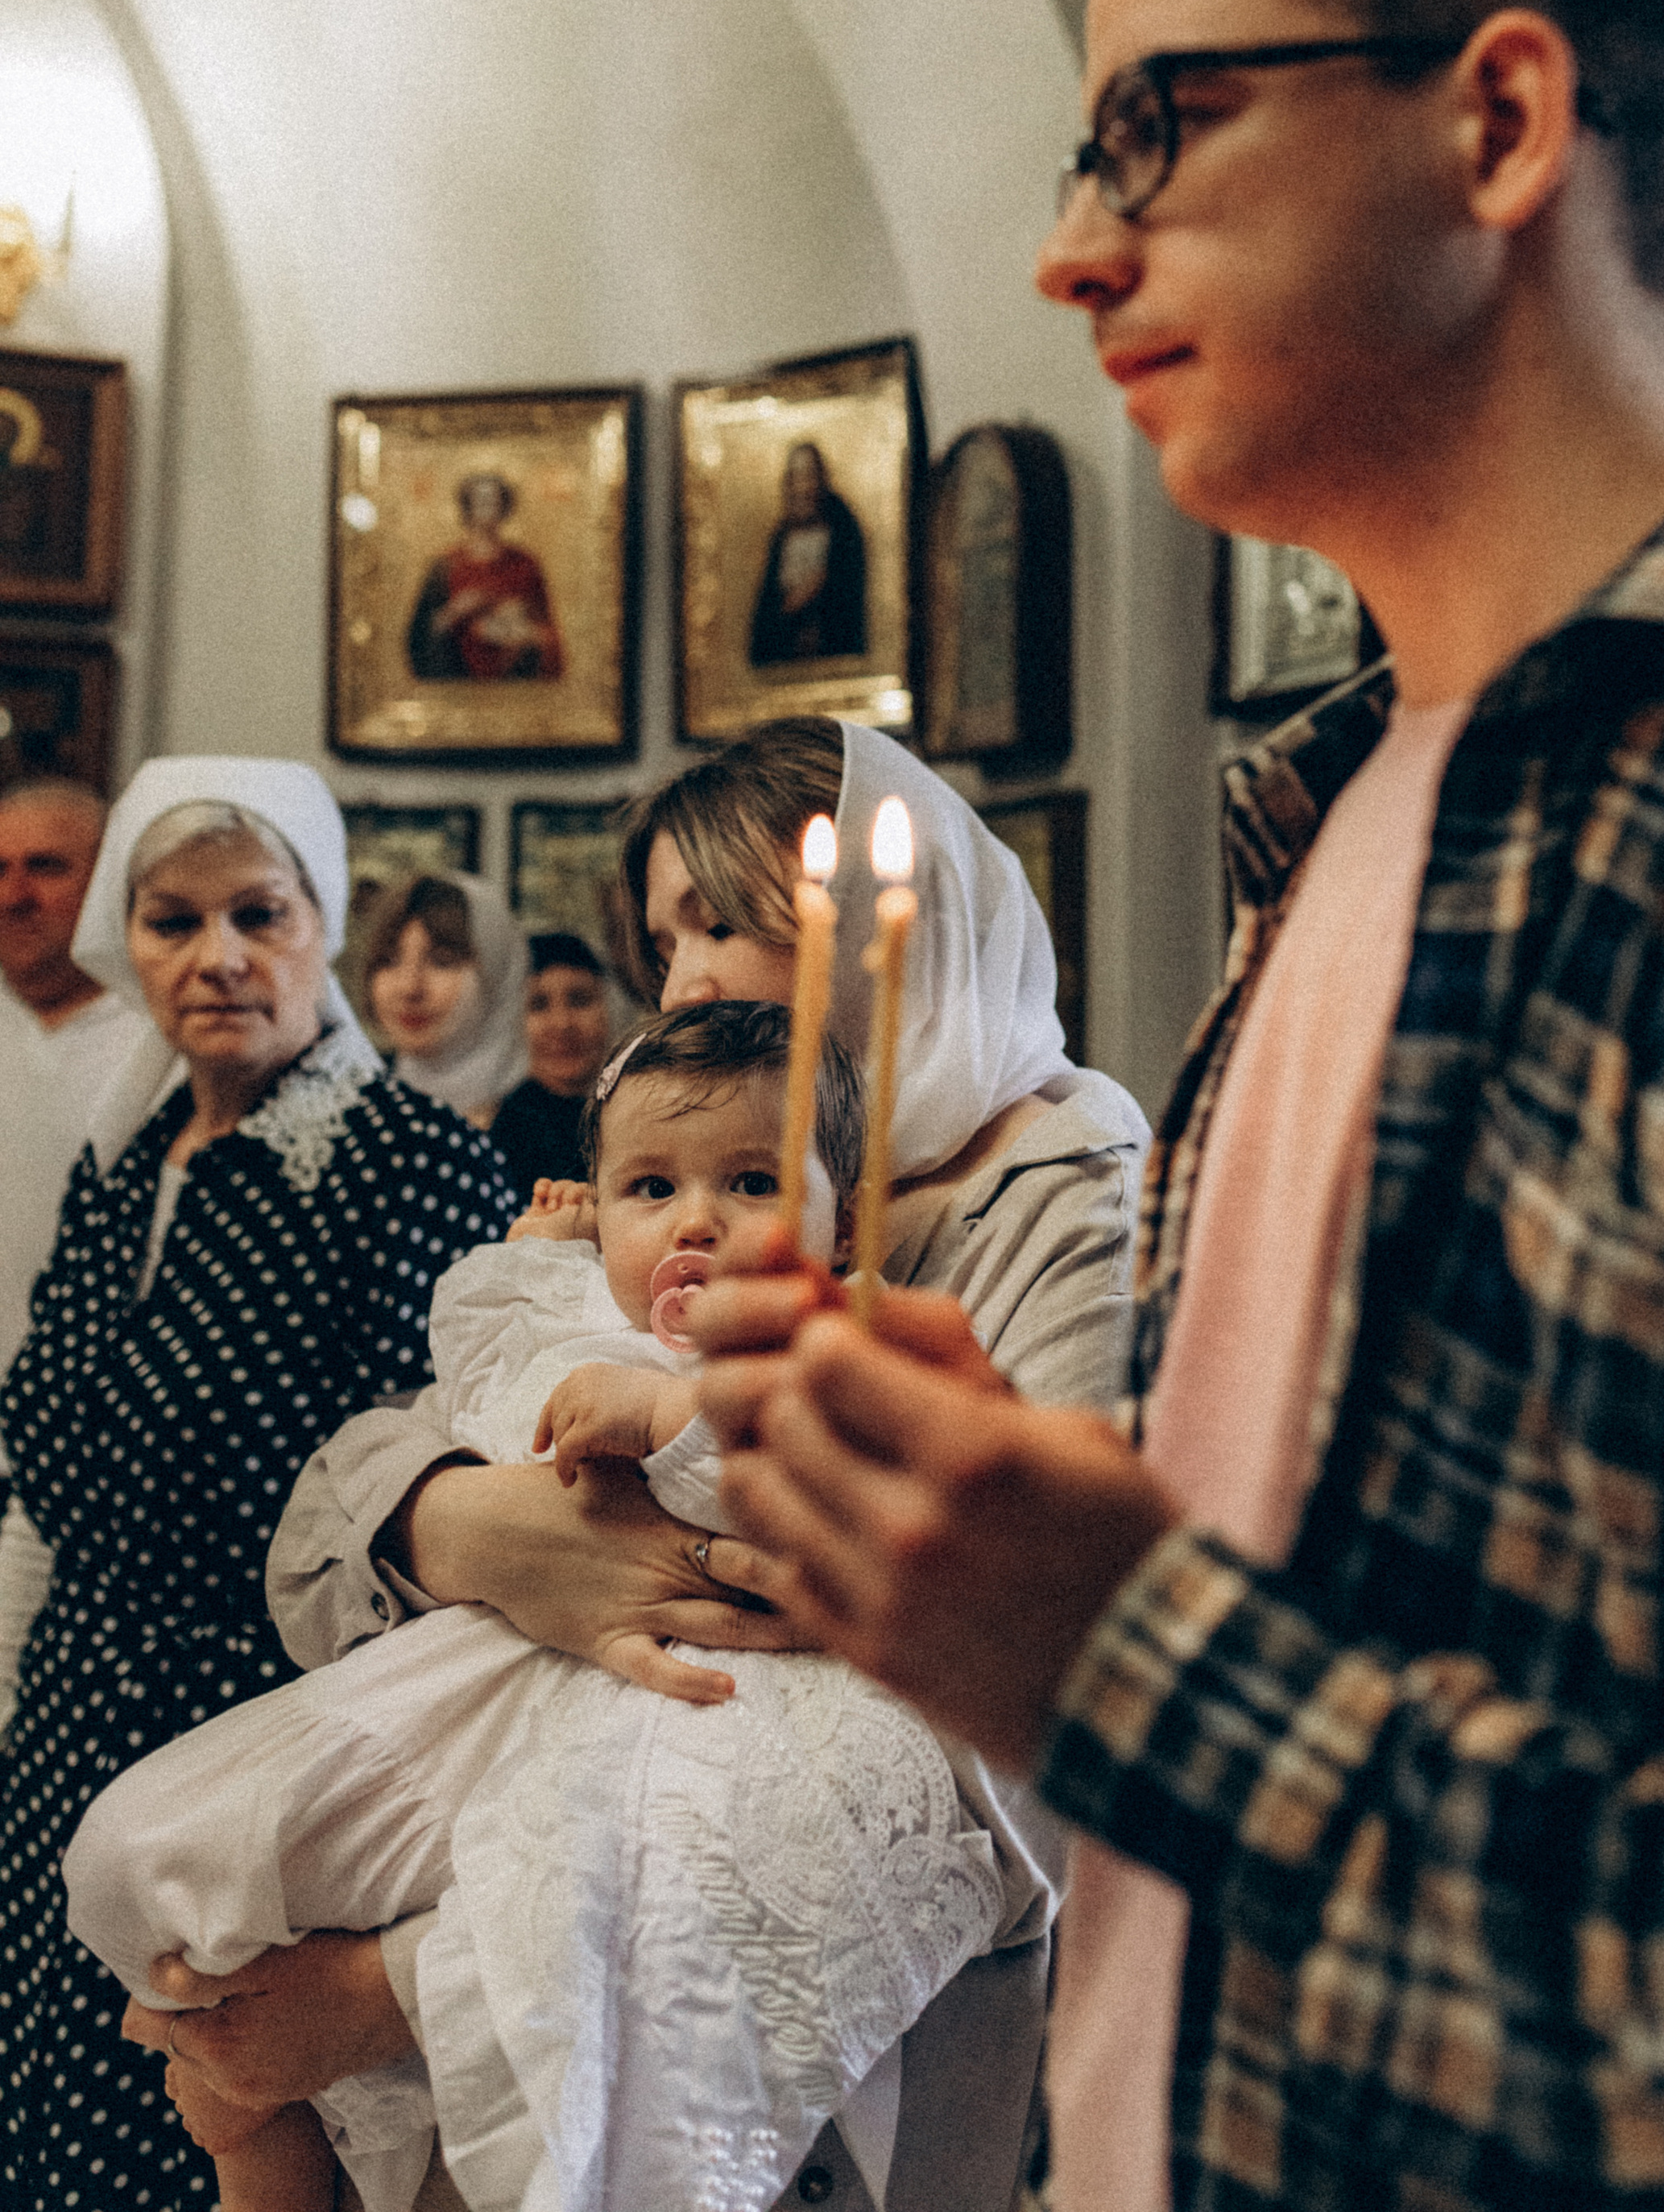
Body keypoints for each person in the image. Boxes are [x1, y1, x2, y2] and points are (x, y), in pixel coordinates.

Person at [691, 0, 1664, 2212]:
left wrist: (1123, 1661)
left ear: (1501, 121)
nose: (1067, 245)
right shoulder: (1336, 809)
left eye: (1157, 125)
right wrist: (990, 1530)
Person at [148, 719, 1148, 2212]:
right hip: (529, 1833)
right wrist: (469, 1530)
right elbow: (326, 1519)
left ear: (902, 921)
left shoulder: (1061, 1203)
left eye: (728, 923)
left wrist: (406, 1986)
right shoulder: (662, 1173)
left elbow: (1020, 1719)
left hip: (826, 2026)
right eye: (665, 935)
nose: (686, 979)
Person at [68, 1000, 1009, 2212]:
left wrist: (670, 1420)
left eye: (756, 1181)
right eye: (650, 1188)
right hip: (483, 1676)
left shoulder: (855, 1332)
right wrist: (548, 1262)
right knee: (152, 1851)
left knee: (547, 2049)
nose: (698, 1221)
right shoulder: (561, 1301)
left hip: (692, 1727)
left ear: (846, 1222)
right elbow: (451, 1411)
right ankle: (255, 2131)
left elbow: (851, 1487)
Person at [0, 754, 517, 2212]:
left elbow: (443, 1504)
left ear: (321, 927)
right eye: (174, 922)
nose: (219, 957)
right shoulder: (127, 1171)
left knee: (217, 2148)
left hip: (262, 1772)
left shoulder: (401, 1164)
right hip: (64, 1738)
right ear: (127, 945)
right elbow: (43, 1489)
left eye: (260, 914)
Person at [0, 777, 156, 1390]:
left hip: (95, 1433)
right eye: (0, 868)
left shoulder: (164, 1042)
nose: (15, 895)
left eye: (46, 867)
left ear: (107, 882)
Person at [364, 871, 528, 1127]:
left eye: (441, 962)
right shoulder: (355, 1110)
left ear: (497, 974)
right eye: (389, 961)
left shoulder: (557, 1130)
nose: (409, 988)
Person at [487, 929, 616, 1189]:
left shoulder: (620, 1114)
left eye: (580, 1000)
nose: (562, 1024)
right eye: (538, 1005)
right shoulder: (512, 1134)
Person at [406, 474, 565, 681]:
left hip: (515, 685)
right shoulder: (444, 567)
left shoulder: (525, 564)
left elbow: (548, 634)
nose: (488, 506)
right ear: (467, 506)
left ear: (505, 506)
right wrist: (455, 610)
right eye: (480, 500)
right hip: (457, 681)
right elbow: (420, 636)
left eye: (495, 500)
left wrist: (522, 630)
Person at [748, 442, 868, 665]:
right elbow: (765, 628)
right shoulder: (781, 541)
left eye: (809, 476)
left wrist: (822, 587)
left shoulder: (843, 537)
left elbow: (846, 610)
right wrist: (791, 605)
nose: (803, 489)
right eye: (795, 478)